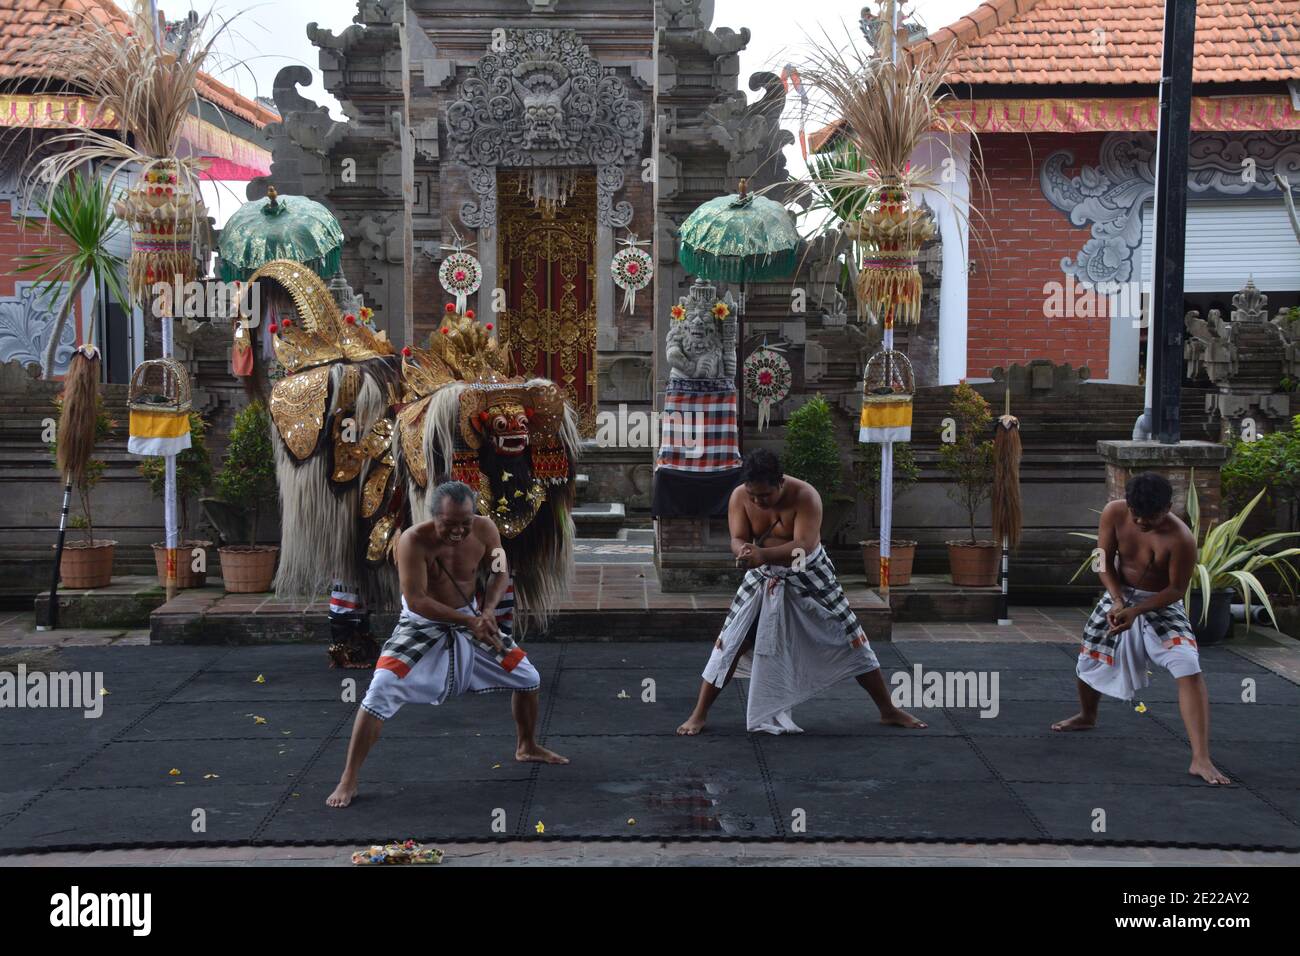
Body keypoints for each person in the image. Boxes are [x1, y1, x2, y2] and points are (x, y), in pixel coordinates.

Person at [327, 480, 567, 808]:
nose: (458, 532)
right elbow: (417, 599)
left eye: (464, 524)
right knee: (380, 687)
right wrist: (471, 621)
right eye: (449, 525)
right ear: (433, 517)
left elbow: (500, 572)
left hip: (473, 618)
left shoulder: (486, 530)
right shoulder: (412, 541)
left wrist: (485, 611)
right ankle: (348, 778)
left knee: (528, 678)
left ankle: (526, 746)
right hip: (422, 625)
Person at [676, 449, 925, 735]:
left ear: (780, 482)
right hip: (763, 575)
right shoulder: (739, 497)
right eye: (753, 495)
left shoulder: (806, 496)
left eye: (765, 496)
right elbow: (738, 538)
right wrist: (744, 552)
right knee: (732, 641)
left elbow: (803, 547)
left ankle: (888, 709)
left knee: (850, 636)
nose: (758, 501)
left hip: (809, 573)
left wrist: (762, 554)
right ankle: (699, 713)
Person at [1052, 472, 1230, 785]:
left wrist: (1138, 610)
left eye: (1152, 518)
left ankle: (1200, 758)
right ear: (1129, 506)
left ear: (1168, 508)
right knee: (1090, 654)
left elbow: (1176, 589)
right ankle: (1088, 715)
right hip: (1118, 593)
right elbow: (1102, 561)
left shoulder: (1181, 539)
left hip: (1160, 602)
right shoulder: (1114, 512)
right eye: (1137, 516)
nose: (1143, 524)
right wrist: (1119, 602)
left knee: (1188, 664)